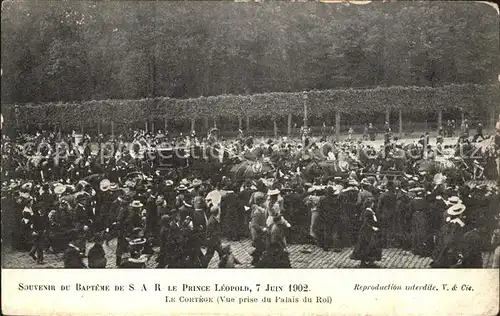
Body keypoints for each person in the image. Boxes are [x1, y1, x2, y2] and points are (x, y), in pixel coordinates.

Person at [350, 198, 382, 267]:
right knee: (368, 246)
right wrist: (373, 227)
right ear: (370, 204)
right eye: (372, 203)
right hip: (367, 231)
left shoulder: (368, 211)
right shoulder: (368, 212)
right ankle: (367, 261)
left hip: (367, 231)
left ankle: (367, 261)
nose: (373, 204)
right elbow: (366, 222)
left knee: (366, 246)